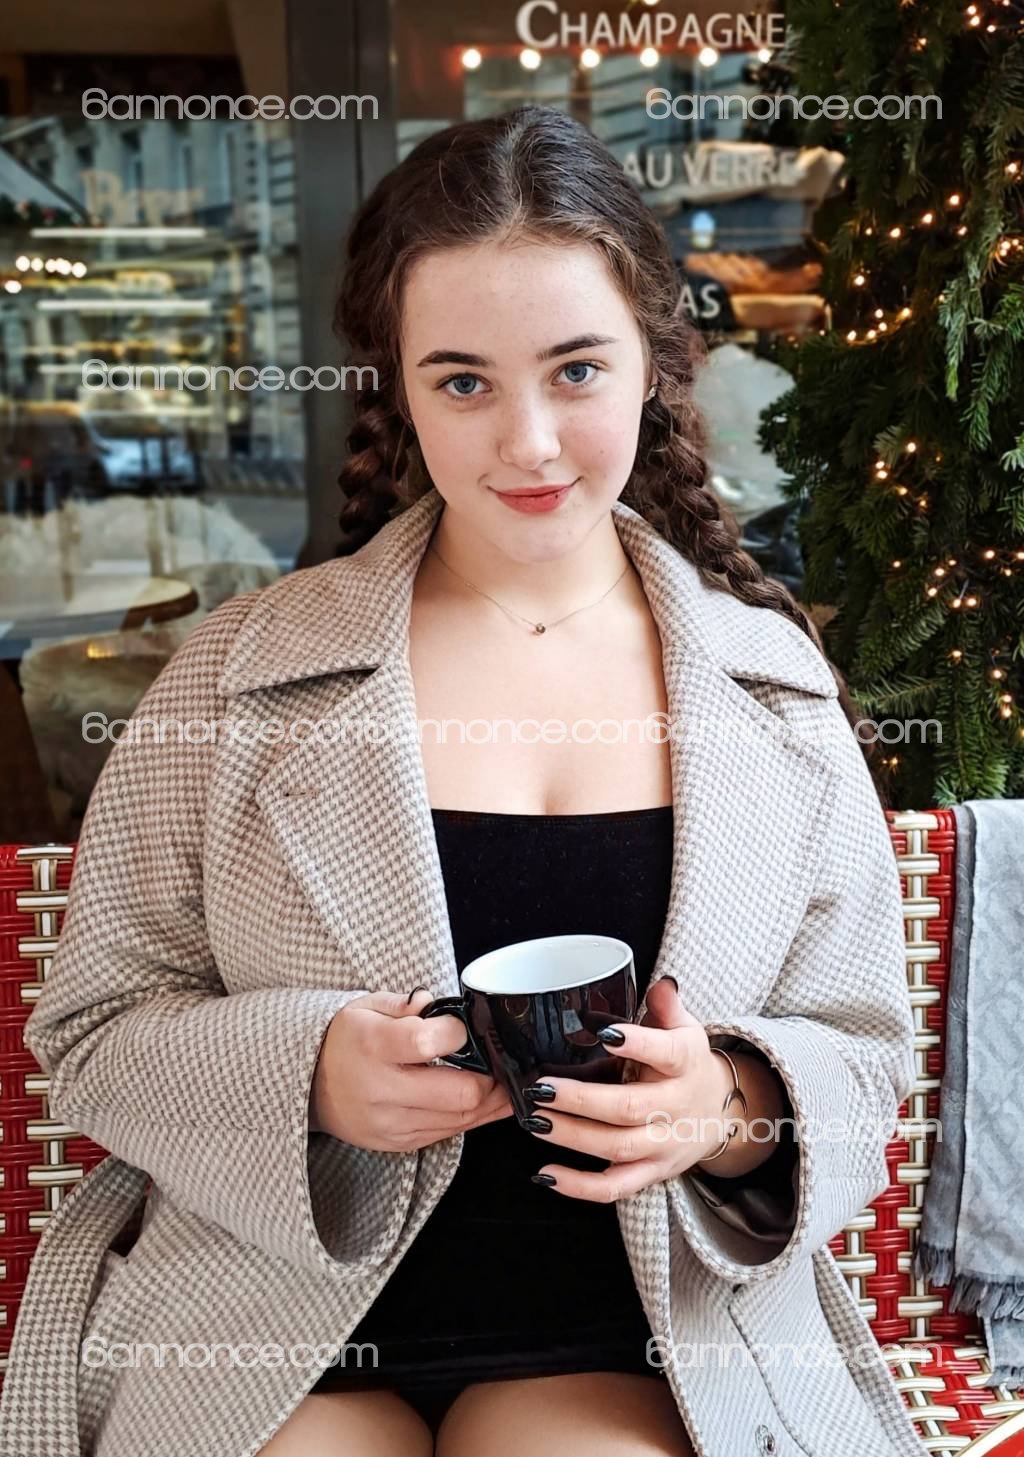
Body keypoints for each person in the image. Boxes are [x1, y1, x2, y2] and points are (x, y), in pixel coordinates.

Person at [0, 107, 922, 1457]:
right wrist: (308, 1075)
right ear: (399, 391)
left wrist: (725, 1104)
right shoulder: (237, 675)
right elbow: (92, 1034)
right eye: (463, 383)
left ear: (656, 363)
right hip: (267, 1316)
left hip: (645, 1327)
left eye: (576, 370)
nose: (529, 442)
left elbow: (868, 1054)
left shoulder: (769, 691)